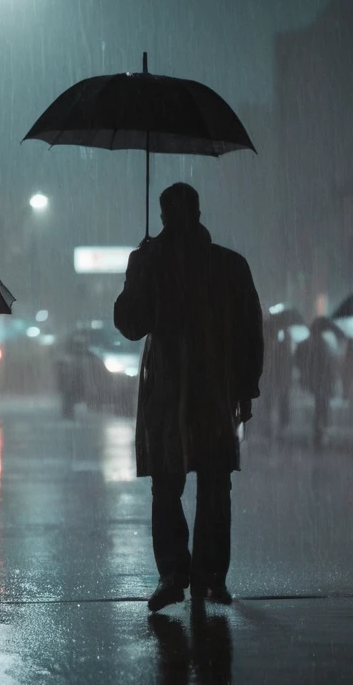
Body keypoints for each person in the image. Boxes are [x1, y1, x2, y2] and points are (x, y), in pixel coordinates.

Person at [115, 183, 263, 613]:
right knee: (205, 486)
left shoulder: (160, 263)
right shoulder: (224, 266)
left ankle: (181, 575)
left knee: (174, 486)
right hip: (206, 393)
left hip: (178, 393)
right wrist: (246, 387)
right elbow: (249, 333)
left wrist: (141, 269)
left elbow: (128, 322)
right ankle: (202, 577)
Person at [295, 319, 333, 432]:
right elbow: (327, 364)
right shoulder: (322, 344)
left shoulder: (308, 344)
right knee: (321, 403)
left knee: (319, 402)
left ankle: (319, 424)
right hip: (321, 379)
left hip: (316, 379)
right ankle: (320, 425)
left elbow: (300, 361)